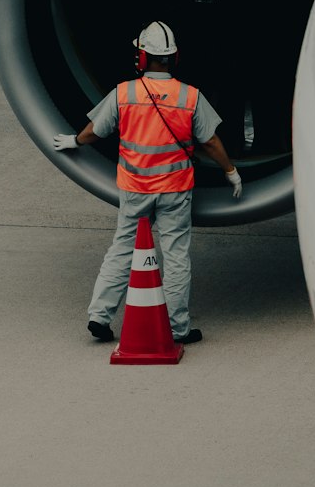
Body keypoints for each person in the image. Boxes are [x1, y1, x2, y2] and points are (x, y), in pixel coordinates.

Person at [52, 20, 242, 345]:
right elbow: (210, 141)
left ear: (141, 58)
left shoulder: (124, 93)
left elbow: (95, 130)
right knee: (176, 256)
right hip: (175, 191)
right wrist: (230, 171)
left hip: (136, 189)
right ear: (174, 58)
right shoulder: (190, 96)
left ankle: (100, 314)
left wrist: (74, 141)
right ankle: (177, 328)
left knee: (122, 249)